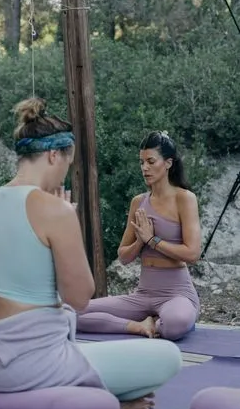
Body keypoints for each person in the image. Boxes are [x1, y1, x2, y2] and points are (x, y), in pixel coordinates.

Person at [0, 99, 182, 409]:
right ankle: (95, 403)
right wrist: (67, 220)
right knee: (168, 358)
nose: (66, 172)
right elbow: (79, 298)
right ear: (54, 155)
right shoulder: (55, 210)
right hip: (29, 367)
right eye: (68, 162)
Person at [76, 131, 201, 340]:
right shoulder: (138, 202)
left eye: (151, 161)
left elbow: (192, 253)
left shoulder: (184, 198)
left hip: (176, 293)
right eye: (141, 162)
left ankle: (165, 319)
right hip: (143, 294)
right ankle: (140, 326)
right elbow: (124, 257)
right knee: (73, 312)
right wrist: (140, 242)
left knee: (175, 324)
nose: (144, 168)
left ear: (168, 163)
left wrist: (153, 240)